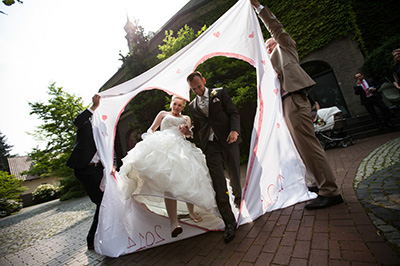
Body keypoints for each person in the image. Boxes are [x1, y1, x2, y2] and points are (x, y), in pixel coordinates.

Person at [250, 0, 343, 210]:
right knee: (300, 148)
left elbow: (276, 28)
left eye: (270, 44)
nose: (269, 47)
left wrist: (258, 8)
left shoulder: (286, 48)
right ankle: (318, 185)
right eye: (267, 47)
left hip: (294, 99)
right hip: (283, 105)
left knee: (309, 146)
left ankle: (330, 191)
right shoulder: (270, 65)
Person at [118, 95, 217, 238]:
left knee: (190, 179)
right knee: (168, 183)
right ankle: (173, 222)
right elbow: (152, 129)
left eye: (180, 106)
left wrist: (186, 132)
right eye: (175, 104)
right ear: (171, 104)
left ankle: (192, 211)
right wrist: (154, 138)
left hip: (182, 149)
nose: (177, 108)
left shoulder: (187, 118)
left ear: (183, 107)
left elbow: (189, 135)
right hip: (163, 147)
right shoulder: (162, 114)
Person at [182, 71, 241, 243]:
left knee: (235, 174)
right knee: (218, 181)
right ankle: (229, 222)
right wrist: (188, 133)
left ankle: (240, 202)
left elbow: (233, 113)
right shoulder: (193, 106)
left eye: (199, 87)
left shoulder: (220, 93)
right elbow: (199, 128)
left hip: (229, 138)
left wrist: (234, 130)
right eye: (194, 89)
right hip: (211, 145)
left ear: (204, 81)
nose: (198, 91)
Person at [66, 94, 105, 250]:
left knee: (105, 201)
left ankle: (99, 235)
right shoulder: (86, 123)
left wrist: (113, 165)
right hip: (84, 168)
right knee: (101, 202)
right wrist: (93, 107)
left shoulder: (104, 129)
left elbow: (110, 150)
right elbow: (77, 121)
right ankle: (91, 238)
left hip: (99, 170)